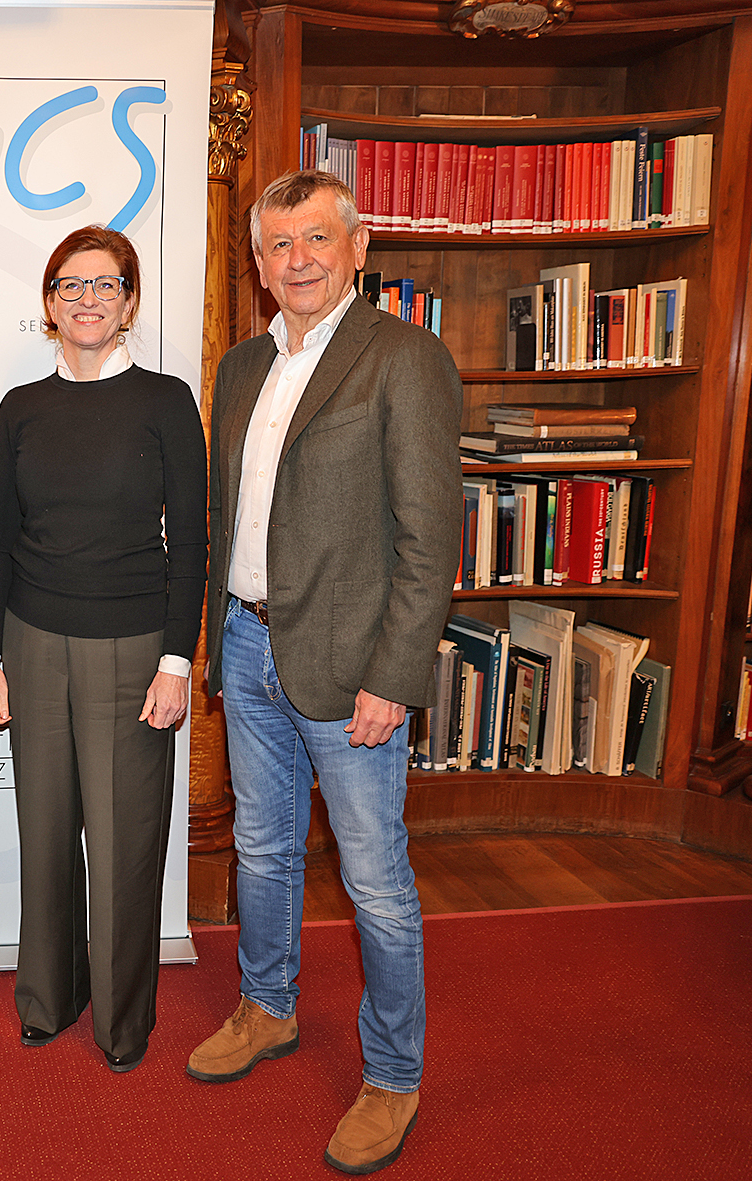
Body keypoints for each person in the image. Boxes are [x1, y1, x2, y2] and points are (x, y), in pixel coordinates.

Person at [185, 169, 461, 1176]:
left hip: (351, 669)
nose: (294, 259)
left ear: (356, 245)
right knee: (259, 850)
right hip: (249, 647)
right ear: (256, 265)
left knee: (373, 878)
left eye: (313, 238)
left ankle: (392, 1071)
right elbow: (223, 517)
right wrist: (215, 635)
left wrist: (394, 673)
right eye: (275, 246)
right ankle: (267, 1006)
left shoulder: (403, 359)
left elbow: (430, 538)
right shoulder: (236, 369)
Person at [0, 226, 207, 1073]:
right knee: (44, 830)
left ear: (131, 301)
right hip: (32, 644)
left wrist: (177, 661)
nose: (86, 300)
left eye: (105, 285)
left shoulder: (167, 402)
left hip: (134, 647)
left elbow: (192, 543)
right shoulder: (21, 408)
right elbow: (1, 537)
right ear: (47, 303)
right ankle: (47, 995)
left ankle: (121, 1017)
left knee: (122, 841)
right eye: (69, 285)